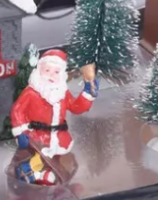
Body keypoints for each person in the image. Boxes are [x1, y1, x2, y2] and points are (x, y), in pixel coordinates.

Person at [8, 48, 97, 185]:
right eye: (47, 70)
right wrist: (21, 132)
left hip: (59, 135)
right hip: (37, 135)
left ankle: (44, 174)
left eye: (56, 72)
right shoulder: (31, 92)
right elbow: (17, 110)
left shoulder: (62, 93)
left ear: (62, 74)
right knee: (40, 155)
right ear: (39, 70)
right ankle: (27, 171)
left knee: (56, 158)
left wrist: (87, 94)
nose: (51, 75)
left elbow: (75, 107)